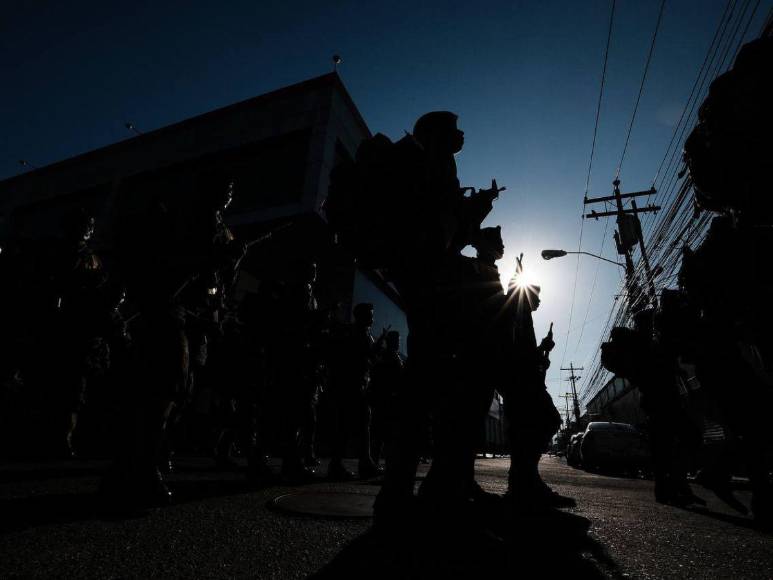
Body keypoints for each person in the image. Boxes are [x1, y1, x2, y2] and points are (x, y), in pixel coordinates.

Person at [501, 255, 572, 512]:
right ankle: (524, 482)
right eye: (536, 294)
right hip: (520, 381)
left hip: (526, 379)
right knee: (546, 420)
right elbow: (518, 353)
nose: (540, 299)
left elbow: (529, 354)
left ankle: (524, 481)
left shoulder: (525, 318)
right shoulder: (516, 313)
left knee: (533, 427)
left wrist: (542, 351)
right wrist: (520, 272)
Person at [326, 302, 385, 479]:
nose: (373, 318)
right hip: (352, 386)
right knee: (351, 425)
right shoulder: (356, 333)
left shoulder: (358, 333)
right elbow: (363, 356)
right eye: (370, 314)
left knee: (357, 425)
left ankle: (359, 462)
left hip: (356, 386)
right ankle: (354, 463)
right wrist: (377, 346)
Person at [367, 330, 405, 465]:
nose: (398, 344)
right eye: (397, 341)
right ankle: (382, 462)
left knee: (380, 434)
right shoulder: (391, 357)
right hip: (388, 399)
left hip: (383, 399)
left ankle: (377, 461)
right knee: (386, 434)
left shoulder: (387, 355)